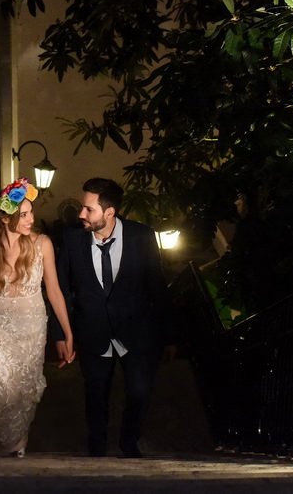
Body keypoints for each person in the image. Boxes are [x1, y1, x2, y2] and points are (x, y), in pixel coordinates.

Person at [49, 177, 177, 458]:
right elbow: (60, 289)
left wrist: (168, 336)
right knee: (95, 394)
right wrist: (60, 333)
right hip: (92, 330)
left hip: (137, 331)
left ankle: (129, 443)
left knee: (140, 392)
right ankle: (96, 448)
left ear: (109, 212)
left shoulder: (141, 236)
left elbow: (157, 285)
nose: (81, 214)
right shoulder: (72, 239)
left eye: (89, 209)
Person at [0, 177, 75, 457]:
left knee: (22, 388)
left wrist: (67, 331)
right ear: (6, 219)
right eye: (23, 214)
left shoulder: (42, 244)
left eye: (31, 212)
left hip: (31, 324)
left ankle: (17, 440)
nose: (31, 219)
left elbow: (53, 289)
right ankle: (1, 439)